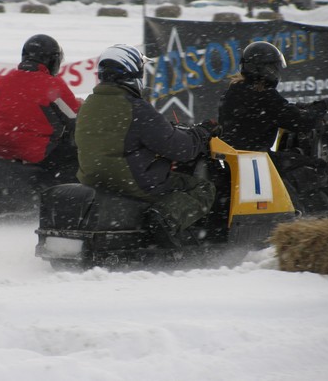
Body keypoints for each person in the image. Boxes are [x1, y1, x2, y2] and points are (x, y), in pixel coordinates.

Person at [75, 44, 220, 248]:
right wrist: (203, 132)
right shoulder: (137, 108)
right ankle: (164, 220)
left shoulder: (89, 104)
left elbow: (116, 137)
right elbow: (182, 150)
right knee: (202, 187)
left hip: (93, 178)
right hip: (132, 182)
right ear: (133, 72)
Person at [218, 41, 328, 208]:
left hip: (237, 157)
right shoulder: (265, 96)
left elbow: (280, 110)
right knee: (317, 166)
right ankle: (295, 209)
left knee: (293, 156)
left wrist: (303, 107)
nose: (276, 72)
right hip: (258, 159)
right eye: (273, 68)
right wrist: (322, 106)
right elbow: (301, 122)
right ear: (263, 69)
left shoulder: (235, 90)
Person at [0, 34, 81, 184]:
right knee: (77, 154)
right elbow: (75, 116)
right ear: (52, 60)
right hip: (36, 155)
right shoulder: (52, 84)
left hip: (0, 151)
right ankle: (66, 196)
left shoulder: (3, 80)